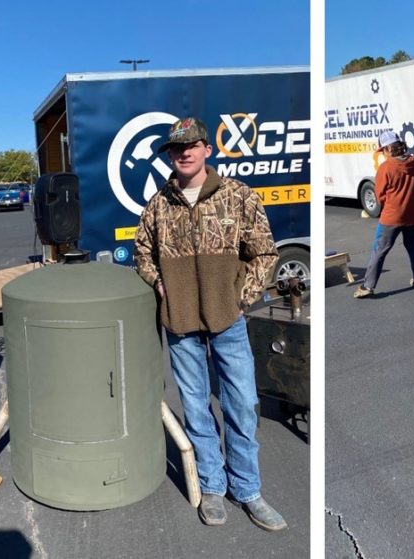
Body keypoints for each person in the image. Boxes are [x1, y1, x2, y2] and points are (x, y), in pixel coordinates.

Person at [133, 117, 287, 531]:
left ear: (206, 149)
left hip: (228, 319)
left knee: (241, 404)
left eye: (191, 145)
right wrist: (158, 282)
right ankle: (213, 487)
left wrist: (241, 296)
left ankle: (248, 489)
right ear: (170, 154)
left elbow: (265, 254)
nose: (183, 152)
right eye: (176, 148)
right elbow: (141, 253)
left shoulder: (238, 196)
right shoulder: (158, 204)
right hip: (180, 321)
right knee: (196, 407)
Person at [354, 130, 414, 297]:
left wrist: (391, 204)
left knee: (380, 250)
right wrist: (413, 202)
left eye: (383, 150)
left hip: (391, 217)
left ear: (389, 149)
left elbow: (380, 195)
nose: (383, 153)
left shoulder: (386, 167)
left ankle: (368, 286)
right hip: (413, 215)